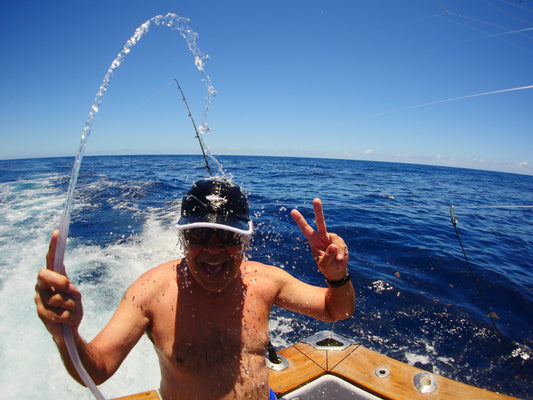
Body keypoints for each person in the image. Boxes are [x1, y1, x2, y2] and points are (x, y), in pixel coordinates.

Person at [35, 177, 355, 400]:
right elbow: (97, 369)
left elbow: (336, 310)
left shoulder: (267, 281)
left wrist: (337, 276)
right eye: (199, 235)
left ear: (245, 240)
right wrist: (66, 333)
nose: (213, 249)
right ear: (183, 237)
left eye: (227, 237)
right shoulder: (150, 292)